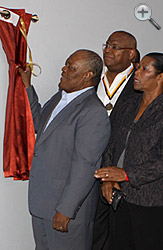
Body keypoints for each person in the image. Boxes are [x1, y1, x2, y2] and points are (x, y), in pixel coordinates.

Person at [18, 49, 111, 250]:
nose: (64, 69)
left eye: (71, 66)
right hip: (42, 204)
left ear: (88, 76)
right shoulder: (59, 98)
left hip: (66, 210)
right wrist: (27, 86)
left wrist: (66, 210)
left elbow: (85, 165)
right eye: (66, 64)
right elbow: (38, 124)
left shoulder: (93, 111)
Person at [94, 52, 163, 250]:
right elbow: (110, 141)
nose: (137, 72)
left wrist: (126, 174)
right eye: (138, 67)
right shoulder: (128, 104)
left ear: (160, 77)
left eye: (144, 69)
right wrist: (109, 178)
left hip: (150, 200)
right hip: (118, 195)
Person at [92, 30, 138, 250]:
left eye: (115, 47)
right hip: (90, 165)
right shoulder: (91, 79)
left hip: (123, 169)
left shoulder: (141, 85)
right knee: (94, 231)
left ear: (132, 54)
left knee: (121, 234)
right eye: (107, 45)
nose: (108, 50)